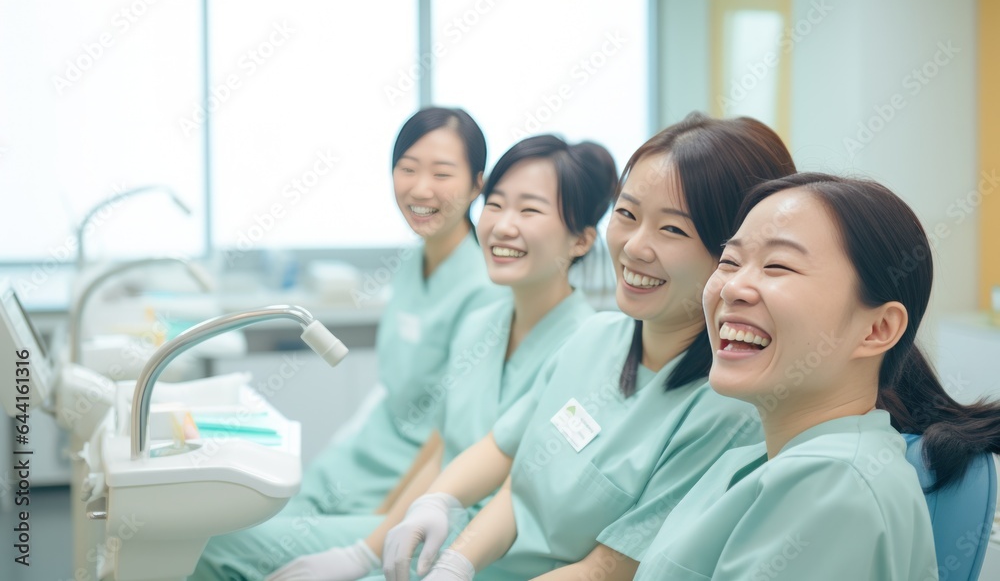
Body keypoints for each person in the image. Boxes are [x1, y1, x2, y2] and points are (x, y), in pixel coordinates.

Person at [381, 112, 797, 581]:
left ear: (733, 252)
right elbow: (517, 476)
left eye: (673, 229)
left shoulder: (729, 410)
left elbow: (606, 568)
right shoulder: (592, 340)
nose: (635, 246)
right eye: (627, 214)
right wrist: (447, 531)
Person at [263, 135, 620, 581]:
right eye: (496, 204)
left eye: (529, 210)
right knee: (227, 546)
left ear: (582, 240)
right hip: (427, 531)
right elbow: (443, 453)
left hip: (495, 558)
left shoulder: (589, 348)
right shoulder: (480, 325)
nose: (503, 226)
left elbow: (527, 490)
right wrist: (364, 553)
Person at [635, 173, 1000, 580]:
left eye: (778, 266)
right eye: (729, 262)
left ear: (876, 329)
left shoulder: (835, 486)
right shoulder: (761, 461)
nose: (732, 287)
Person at [192, 107, 503, 580]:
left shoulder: (483, 288)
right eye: (407, 169)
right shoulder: (412, 264)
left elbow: (452, 437)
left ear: (478, 184)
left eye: (442, 173)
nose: (421, 189)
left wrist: (378, 531)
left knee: (217, 546)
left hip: (401, 493)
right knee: (228, 520)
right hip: (352, 468)